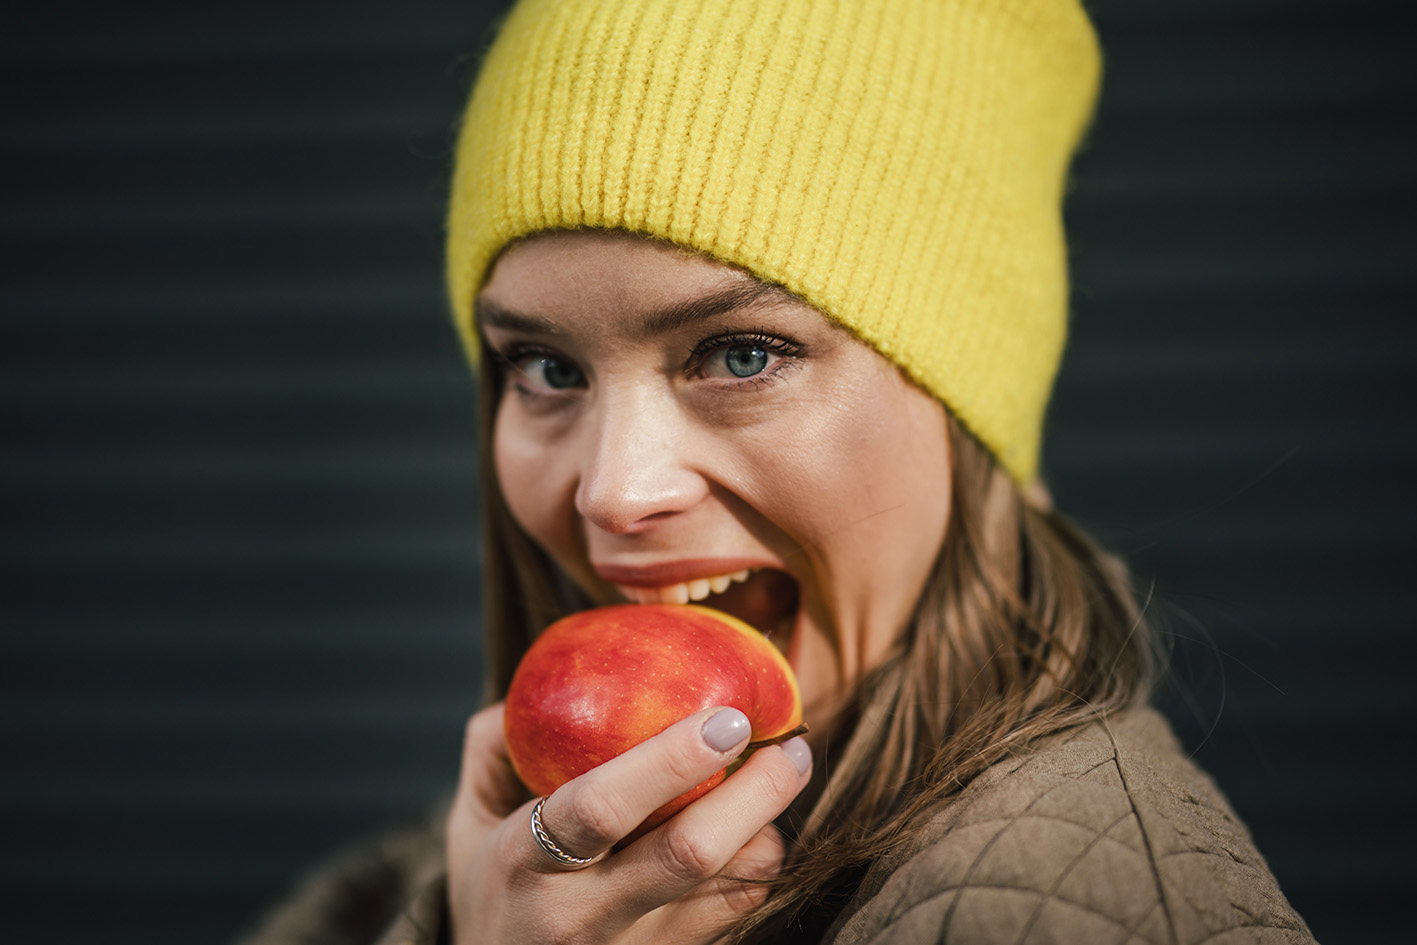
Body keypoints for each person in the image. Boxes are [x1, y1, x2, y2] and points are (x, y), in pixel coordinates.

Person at [239, 0, 1316, 942]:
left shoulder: (1072, 906)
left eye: (741, 353)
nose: (615, 492)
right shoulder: (417, 883)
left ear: (965, 405)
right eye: (546, 367)